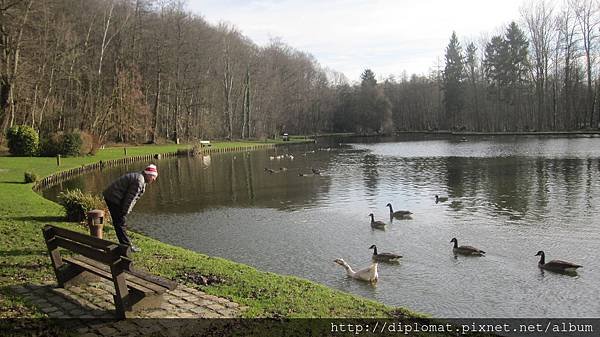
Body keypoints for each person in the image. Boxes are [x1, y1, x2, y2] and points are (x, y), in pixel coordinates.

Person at [103, 164, 158, 252]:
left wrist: (124, 211)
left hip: (112, 196)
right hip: (113, 197)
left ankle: (124, 244)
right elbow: (130, 198)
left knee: (119, 223)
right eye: (153, 176)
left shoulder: (141, 178)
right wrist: (125, 211)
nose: (154, 179)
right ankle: (127, 247)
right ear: (148, 174)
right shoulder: (139, 180)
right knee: (120, 223)